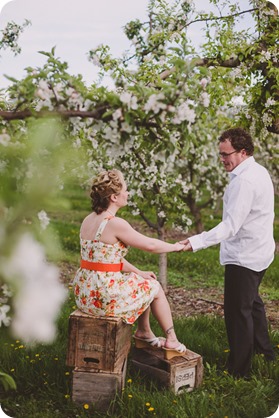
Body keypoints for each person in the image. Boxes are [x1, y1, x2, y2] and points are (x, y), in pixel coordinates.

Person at [180, 127, 276, 378]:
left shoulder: (244, 181)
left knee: (237, 313)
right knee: (252, 304)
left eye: (226, 154)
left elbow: (230, 226)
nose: (222, 160)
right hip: (260, 251)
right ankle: (266, 353)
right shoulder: (258, 170)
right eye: (220, 154)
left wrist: (197, 241)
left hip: (245, 256)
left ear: (243, 152)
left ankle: (239, 370)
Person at [73, 168, 186, 359]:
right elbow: (150, 245)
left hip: (84, 294)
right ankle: (172, 339)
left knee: (142, 281)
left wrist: (139, 272)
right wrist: (176, 247)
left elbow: (106, 259)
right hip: (103, 297)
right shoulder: (115, 223)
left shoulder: (88, 220)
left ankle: (144, 332)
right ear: (114, 197)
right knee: (155, 287)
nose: (128, 193)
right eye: (125, 190)